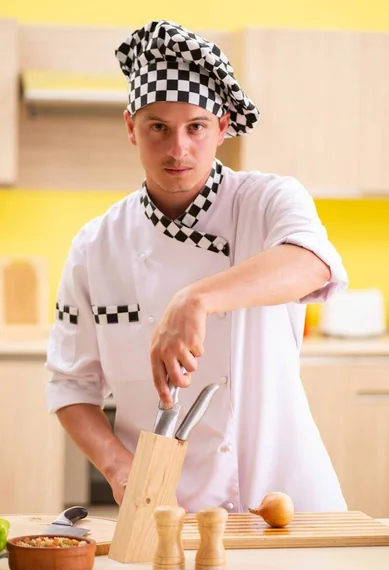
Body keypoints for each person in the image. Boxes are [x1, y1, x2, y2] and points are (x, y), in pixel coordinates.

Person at [46, 20, 349, 514]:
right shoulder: (95, 245)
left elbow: (313, 263)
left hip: (284, 498)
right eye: (158, 128)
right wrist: (119, 467)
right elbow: (70, 385)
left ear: (222, 127)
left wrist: (195, 298)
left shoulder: (268, 200)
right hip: (164, 505)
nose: (178, 149)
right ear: (130, 127)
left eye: (196, 127)